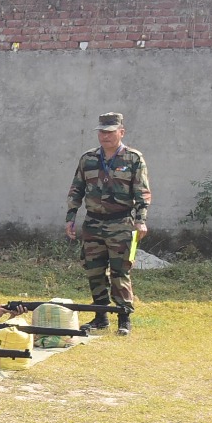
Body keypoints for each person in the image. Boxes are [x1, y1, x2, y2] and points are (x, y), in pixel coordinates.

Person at [65, 111, 150, 335]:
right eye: (102, 132)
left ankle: (124, 319)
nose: (105, 136)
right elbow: (76, 189)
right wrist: (71, 217)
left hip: (121, 223)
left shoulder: (133, 159)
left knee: (120, 272)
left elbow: (142, 193)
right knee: (94, 270)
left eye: (111, 132)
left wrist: (141, 221)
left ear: (121, 132)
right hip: (93, 223)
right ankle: (100, 316)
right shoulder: (88, 159)